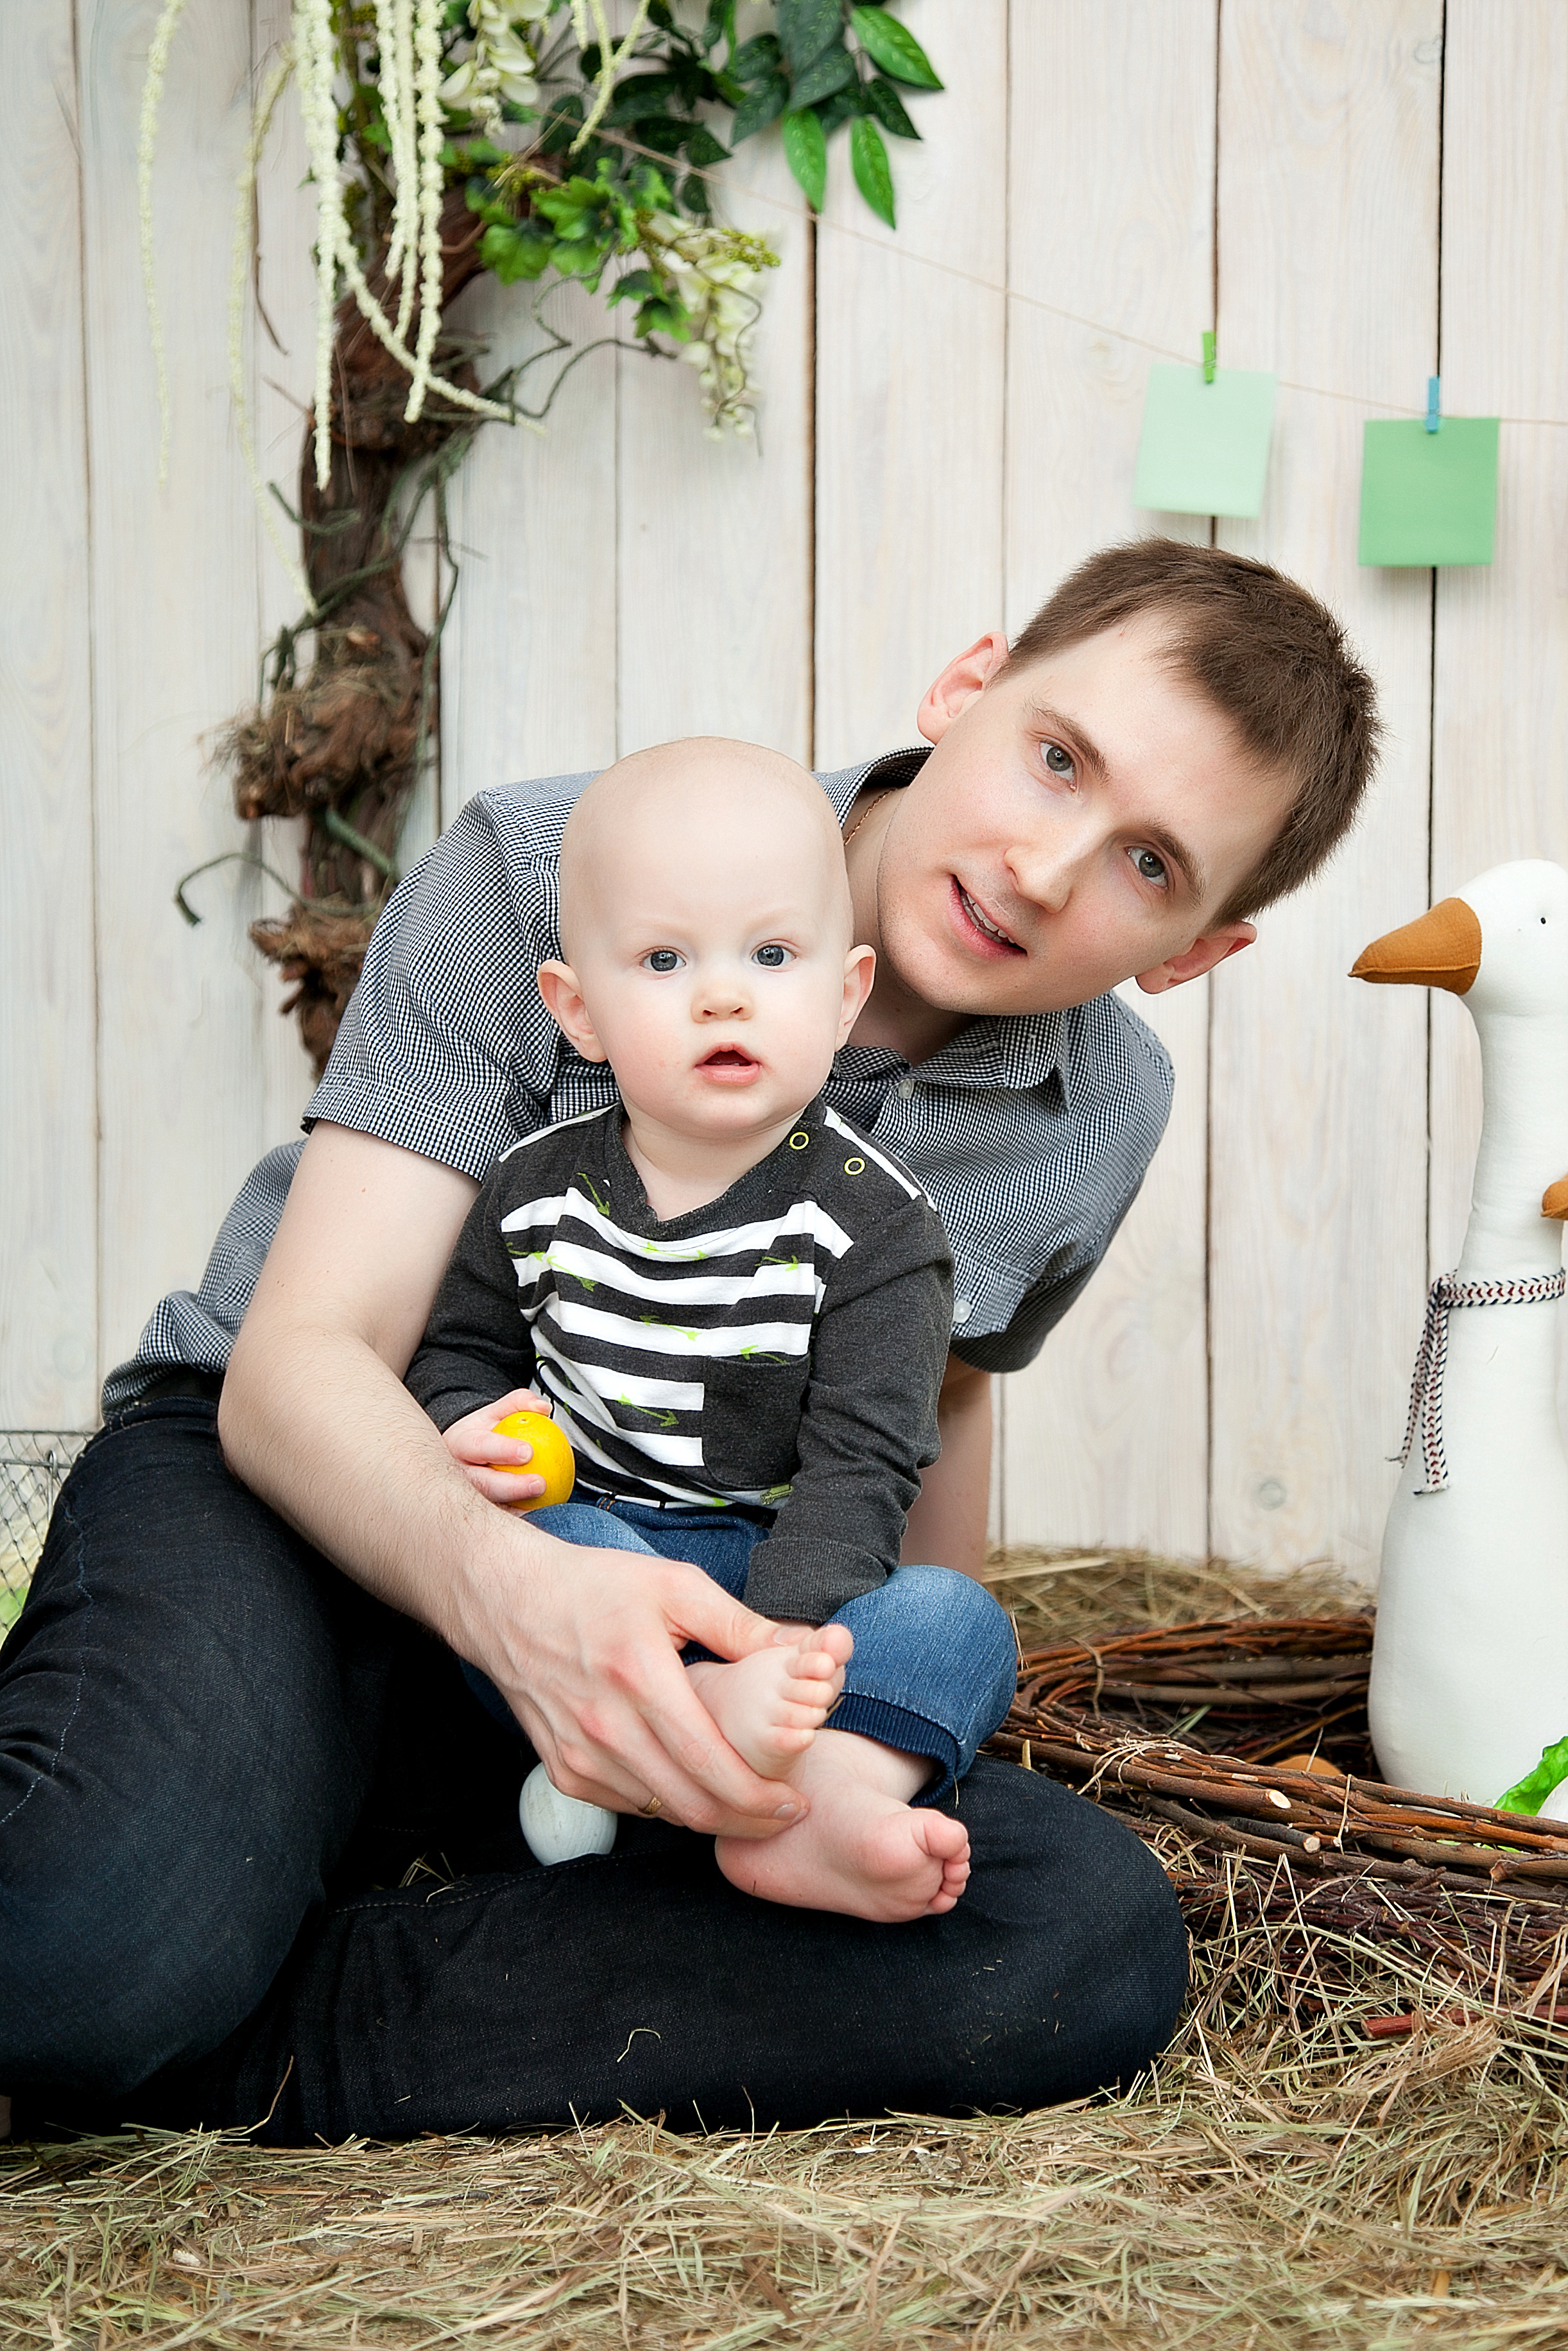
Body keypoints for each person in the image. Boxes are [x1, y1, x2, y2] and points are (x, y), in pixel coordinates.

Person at [0, 540, 1379, 2144]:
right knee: (74, 1940)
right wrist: (519, 1595)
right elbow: (306, 1357)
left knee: (1080, 1936)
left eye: (1150, 863)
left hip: (705, 1603)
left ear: (1195, 949)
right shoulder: (550, 862)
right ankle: (170, 1954)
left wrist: (892, 1716)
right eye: (1057, 757)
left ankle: (236, 2008)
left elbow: (939, 1387)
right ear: (968, 687)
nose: (1047, 867)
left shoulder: (1102, 1106)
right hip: (316, 1497)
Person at [408, 737, 1019, 1922]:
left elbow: (863, 1465)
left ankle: (821, 1795)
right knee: (533, 1546)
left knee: (956, 1622)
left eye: (772, 955)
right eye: (663, 959)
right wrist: (466, 1424)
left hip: (773, 1571)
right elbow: (462, 1351)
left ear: (844, 996)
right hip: (596, 1569)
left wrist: (772, 1644)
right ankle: (709, 1752)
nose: (723, 995)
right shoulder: (533, 1189)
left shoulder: (879, 1229)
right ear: (579, 1011)